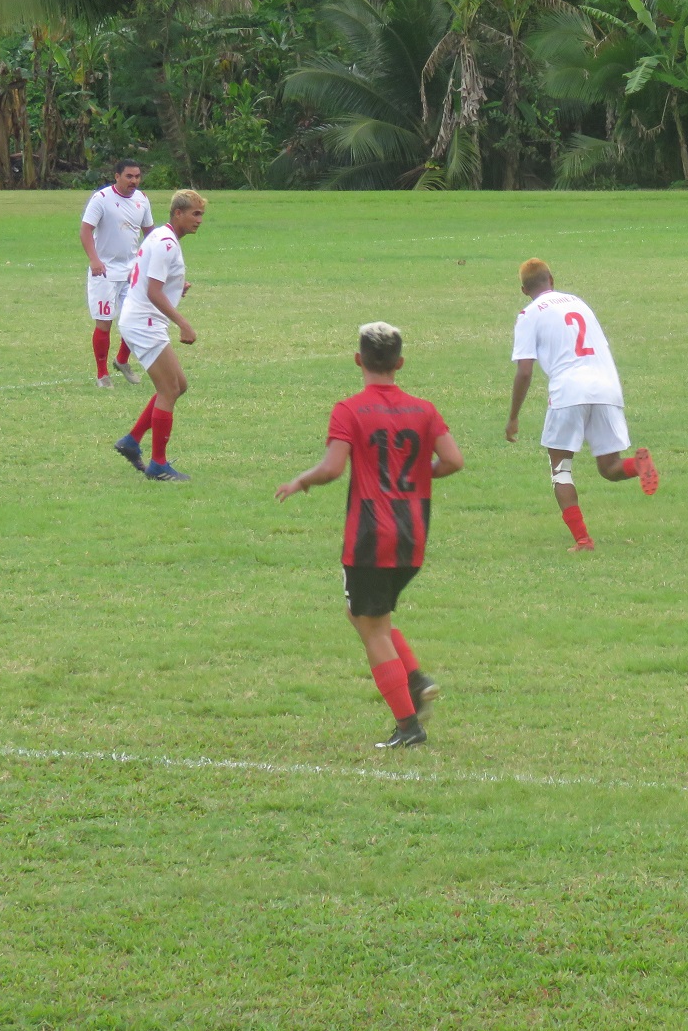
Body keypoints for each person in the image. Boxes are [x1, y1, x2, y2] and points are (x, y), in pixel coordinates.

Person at [276, 322, 463, 749]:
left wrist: (301, 481)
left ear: (359, 360)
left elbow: (332, 468)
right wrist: (416, 476)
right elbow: (453, 460)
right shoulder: (424, 409)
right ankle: (414, 678)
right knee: (365, 615)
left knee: (372, 627)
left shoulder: (350, 409)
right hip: (413, 534)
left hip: (369, 534)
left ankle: (408, 724)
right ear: (399, 364)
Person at [506, 257, 658, 551]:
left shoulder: (529, 314)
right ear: (552, 279)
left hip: (569, 392)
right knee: (610, 466)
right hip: (607, 386)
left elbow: (525, 371)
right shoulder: (579, 303)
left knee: (561, 470)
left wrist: (513, 417)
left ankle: (583, 540)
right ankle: (637, 465)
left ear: (524, 290)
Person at [112, 190, 205, 482]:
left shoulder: (159, 237)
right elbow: (152, 291)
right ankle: (158, 465)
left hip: (142, 319)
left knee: (179, 385)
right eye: (194, 214)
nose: (198, 220)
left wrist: (177, 287)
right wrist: (183, 323)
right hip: (144, 323)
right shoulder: (166, 243)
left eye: (201, 215)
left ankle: (132, 440)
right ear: (177, 213)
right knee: (169, 390)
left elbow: (143, 279)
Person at [81, 160, 154, 387]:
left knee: (135, 321)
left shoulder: (142, 200)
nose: (134, 181)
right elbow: (85, 230)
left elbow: (149, 233)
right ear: (117, 176)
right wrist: (94, 259)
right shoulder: (101, 199)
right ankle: (102, 374)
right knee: (104, 323)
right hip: (104, 272)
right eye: (129, 176)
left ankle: (122, 360)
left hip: (131, 271)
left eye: (137, 176)